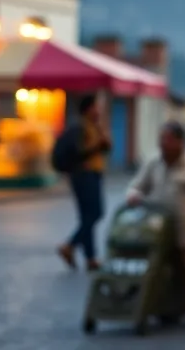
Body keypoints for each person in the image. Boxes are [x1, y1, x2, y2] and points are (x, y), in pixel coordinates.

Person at [126, 121, 185, 328]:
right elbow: (137, 185)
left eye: (167, 140)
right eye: (161, 139)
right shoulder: (153, 163)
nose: (163, 144)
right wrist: (133, 195)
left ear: (180, 142)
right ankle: (165, 308)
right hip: (157, 229)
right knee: (160, 270)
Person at [59, 95, 111, 271]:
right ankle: (70, 245)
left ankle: (90, 258)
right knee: (95, 213)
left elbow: (105, 148)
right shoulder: (79, 127)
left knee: (87, 217)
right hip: (83, 175)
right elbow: (79, 152)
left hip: (93, 173)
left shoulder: (94, 126)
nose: (99, 111)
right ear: (88, 108)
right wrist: (98, 146)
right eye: (96, 107)